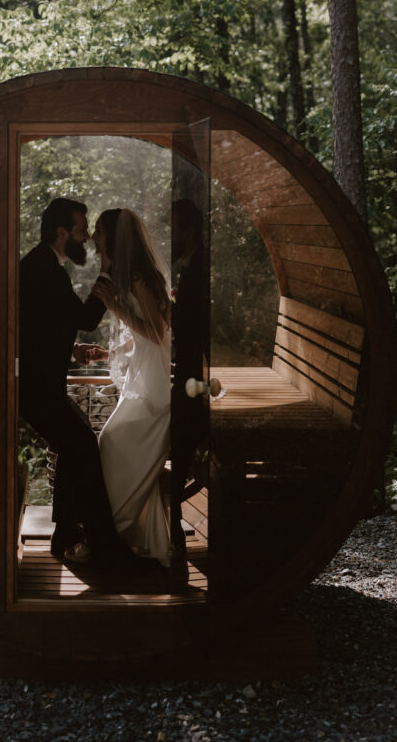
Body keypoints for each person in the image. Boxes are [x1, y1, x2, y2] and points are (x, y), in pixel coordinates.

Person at [18, 197, 147, 572]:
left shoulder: (44, 263)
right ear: (61, 233)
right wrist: (106, 271)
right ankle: (105, 547)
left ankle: (66, 536)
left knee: (77, 446)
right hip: (32, 387)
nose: (87, 238)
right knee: (84, 447)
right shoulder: (43, 267)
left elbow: (40, 326)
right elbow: (86, 317)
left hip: (38, 382)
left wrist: (72, 350)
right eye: (80, 230)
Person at [90, 208, 173, 567]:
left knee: (110, 444)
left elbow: (157, 334)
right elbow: (141, 337)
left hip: (154, 390)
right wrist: (110, 351)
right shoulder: (132, 275)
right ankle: (134, 537)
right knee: (112, 447)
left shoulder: (140, 276)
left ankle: (113, 532)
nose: (94, 238)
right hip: (143, 383)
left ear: (114, 237)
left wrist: (114, 307)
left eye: (99, 231)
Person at [170, 197, 209, 551]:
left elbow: (191, 323)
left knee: (183, 435)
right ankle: (171, 515)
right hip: (188, 367)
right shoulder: (189, 264)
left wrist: (166, 306)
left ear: (189, 231)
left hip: (198, 370)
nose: (169, 234)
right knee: (181, 435)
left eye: (174, 227)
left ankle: (170, 515)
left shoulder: (201, 267)